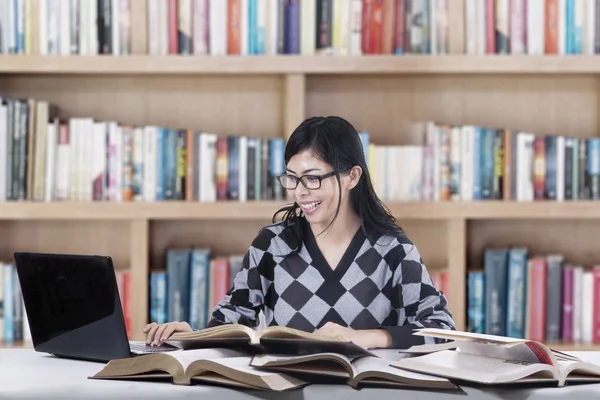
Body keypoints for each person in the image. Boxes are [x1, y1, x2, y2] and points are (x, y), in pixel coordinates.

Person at [144, 116, 456, 349]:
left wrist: (364, 338)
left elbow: (442, 330)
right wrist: (195, 335)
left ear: (352, 176)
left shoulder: (393, 249)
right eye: (292, 178)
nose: (300, 192)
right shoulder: (272, 245)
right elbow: (235, 318)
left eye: (312, 178)